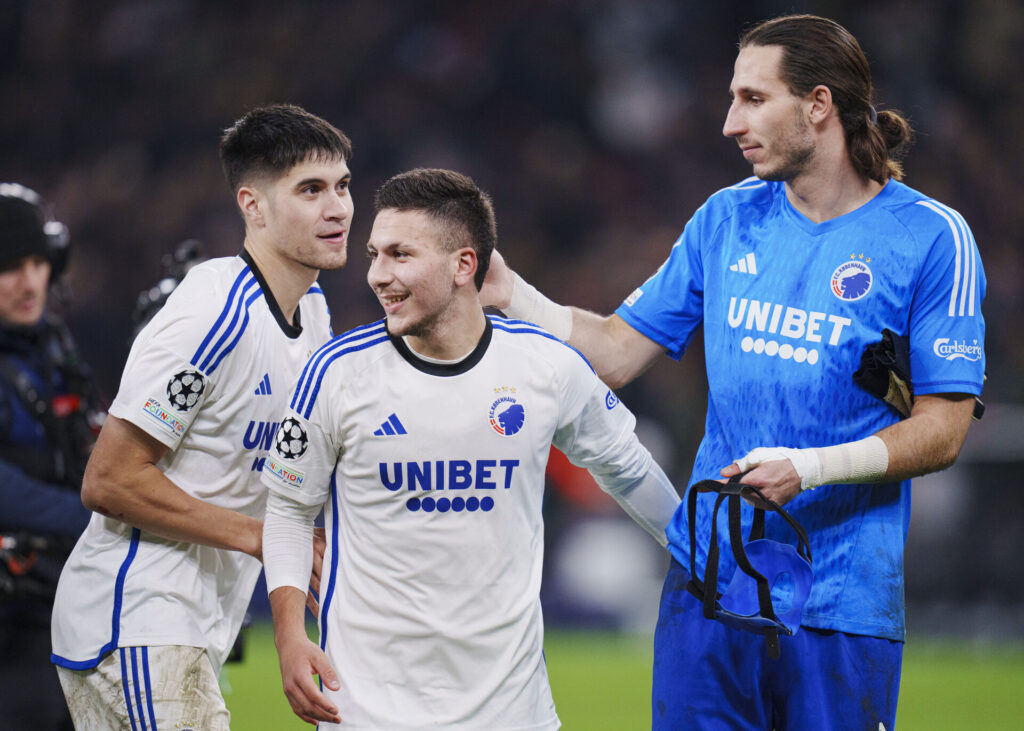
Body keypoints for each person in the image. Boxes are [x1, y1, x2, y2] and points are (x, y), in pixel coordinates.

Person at [481, 14, 986, 731]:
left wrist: (808, 467)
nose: (728, 122)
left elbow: (944, 428)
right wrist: (514, 295)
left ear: (818, 105)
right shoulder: (725, 219)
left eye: (753, 98)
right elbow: (618, 351)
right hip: (711, 587)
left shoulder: (932, 238)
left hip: (841, 599)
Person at [259, 168, 681, 729]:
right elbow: (288, 510)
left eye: (401, 255)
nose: (379, 276)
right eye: (374, 255)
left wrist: (703, 555)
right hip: (367, 710)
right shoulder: (336, 374)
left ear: (464, 265)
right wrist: (289, 638)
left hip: (512, 713)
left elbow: (626, 467)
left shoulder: (545, 366)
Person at [49, 103, 354, 729]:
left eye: (344, 186)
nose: (339, 208)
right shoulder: (212, 317)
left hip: (195, 624)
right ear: (254, 205)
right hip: (136, 615)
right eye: (311, 190)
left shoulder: (315, 316)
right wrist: (255, 536)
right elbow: (108, 480)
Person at [0, 183, 101, 730]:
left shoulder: (54, 348)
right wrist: (96, 517)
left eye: (39, 262)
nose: (30, 281)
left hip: (63, 600)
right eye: (10, 266)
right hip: (10, 624)